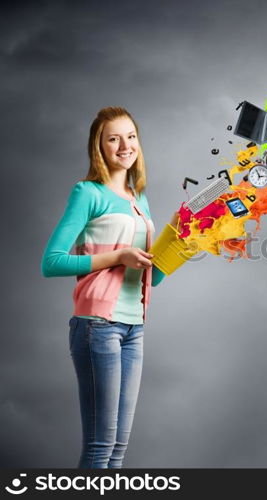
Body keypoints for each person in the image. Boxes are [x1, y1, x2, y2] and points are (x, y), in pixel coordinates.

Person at [41, 106, 176, 468]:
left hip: (135, 326)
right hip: (97, 327)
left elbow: (151, 275)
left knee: (117, 449)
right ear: (98, 146)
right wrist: (118, 256)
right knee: (100, 448)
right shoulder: (87, 193)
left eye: (131, 136)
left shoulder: (139, 198)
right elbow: (51, 263)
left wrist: (184, 247)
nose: (125, 146)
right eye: (113, 138)